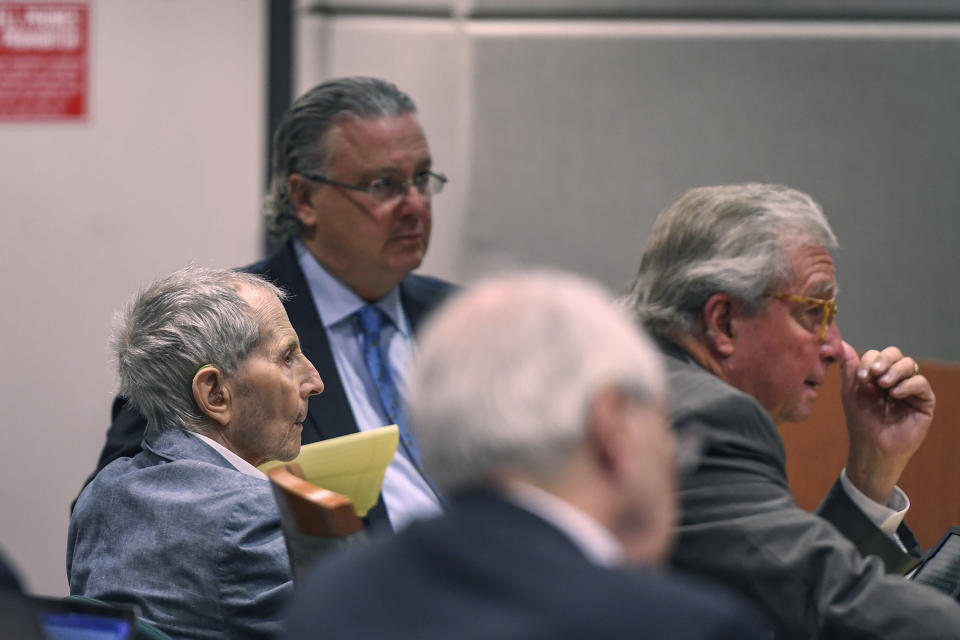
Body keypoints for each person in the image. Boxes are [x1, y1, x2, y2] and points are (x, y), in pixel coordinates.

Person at [285, 270, 769, 640]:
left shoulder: (331, 600)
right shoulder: (684, 626)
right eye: (667, 436)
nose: (671, 462)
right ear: (612, 429)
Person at [88, 77, 454, 532]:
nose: (415, 205)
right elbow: (124, 517)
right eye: (384, 185)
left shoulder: (462, 319)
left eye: (422, 179)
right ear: (304, 198)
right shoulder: (217, 328)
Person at [623, 183, 960, 638]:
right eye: (815, 310)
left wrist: (872, 470)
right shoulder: (703, 416)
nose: (836, 345)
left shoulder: (639, 381)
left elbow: (777, 589)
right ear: (723, 322)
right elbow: (823, 597)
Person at [68, 266, 324, 639]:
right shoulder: (258, 520)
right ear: (215, 393)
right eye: (287, 358)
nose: (314, 382)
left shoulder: (99, 498)